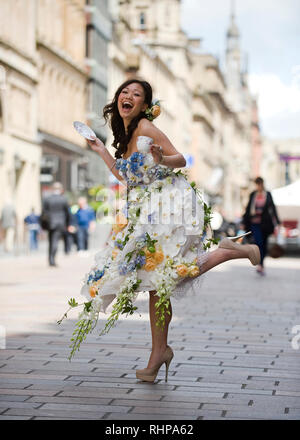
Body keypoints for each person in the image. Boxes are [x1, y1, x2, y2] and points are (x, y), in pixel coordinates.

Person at [60, 78, 260, 380]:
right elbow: (128, 177)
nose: (128, 97)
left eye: (136, 95)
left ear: (144, 105)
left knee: (164, 276)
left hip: (168, 204)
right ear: (117, 100)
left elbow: (180, 159)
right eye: (124, 92)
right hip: (147, 207)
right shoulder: (125, 134)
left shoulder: (145, 128)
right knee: (158, 283)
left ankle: (225, 253)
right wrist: (101, 149)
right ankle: (159, 353)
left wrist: (159, 157)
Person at [242, 177, 281, 276]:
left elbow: (273, 209)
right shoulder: (253, 194)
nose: (258, 186)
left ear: (262, 184)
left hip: (265, 224)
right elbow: (247, 209)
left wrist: (278, 222)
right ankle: (260, 264)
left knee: (264, 244)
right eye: (256, 184)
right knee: (258, 243)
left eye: (259, 184)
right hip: (255, 224)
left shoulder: (267, 194)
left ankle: (262, 265)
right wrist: (244, 221)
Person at [41, 182, 71, 267]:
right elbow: (68, 213)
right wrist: (68, 224)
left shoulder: (47, 199)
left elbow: (43, 212)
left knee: (51, 240)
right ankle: (52, 259)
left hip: (50, 223)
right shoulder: (63, 199)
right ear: (60, 189)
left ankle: (51, 258)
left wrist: (43, 224)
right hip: (60, 223)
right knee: (55, 241)